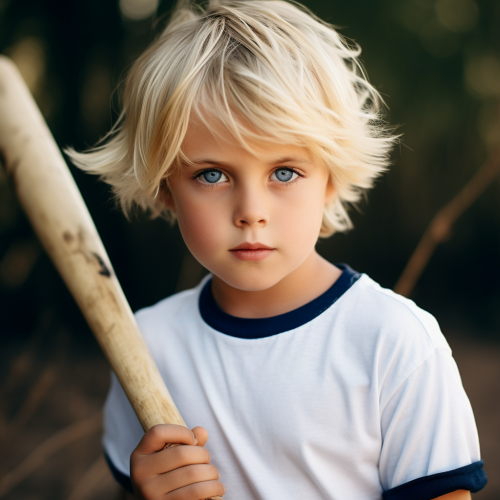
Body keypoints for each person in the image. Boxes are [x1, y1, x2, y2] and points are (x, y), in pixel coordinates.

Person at [67, 1, 488, 499]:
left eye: (284, 172)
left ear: (330, 180)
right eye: (212, 175)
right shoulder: (144, 347)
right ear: (165, 188)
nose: (251, 211)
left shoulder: (394, 342)